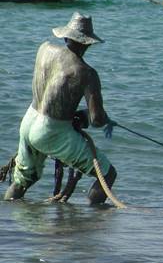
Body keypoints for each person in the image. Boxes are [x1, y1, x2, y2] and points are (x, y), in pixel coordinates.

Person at [4, 12, 117, 205]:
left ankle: (6, 215)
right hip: (51, 131)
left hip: (29, 120)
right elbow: (97, 119)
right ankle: (92, 220)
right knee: (107, 174)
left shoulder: (44, 49)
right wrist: (100, 118)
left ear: (65, 36)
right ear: (88, 43)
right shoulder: (87, 73)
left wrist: (77, 115)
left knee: (22, 181)